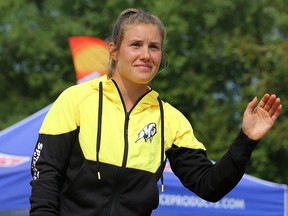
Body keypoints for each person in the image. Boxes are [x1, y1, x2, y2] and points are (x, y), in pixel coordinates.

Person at [29, 8, 282, 216]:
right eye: (136, 45)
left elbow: (210, 186)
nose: (145, 55)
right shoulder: (76, 99)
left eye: (154, 47)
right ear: (114, 50)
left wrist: (246, 140)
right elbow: (45, 177)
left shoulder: (170, 119)